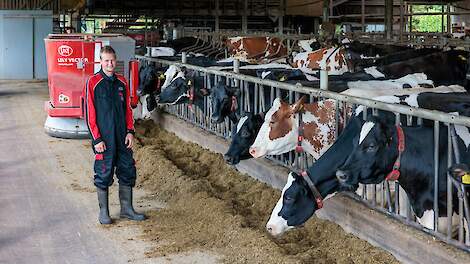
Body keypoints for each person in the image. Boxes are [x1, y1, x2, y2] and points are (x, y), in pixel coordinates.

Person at [85, 45, 145, 224]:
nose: (110, 63)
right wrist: (96, 139)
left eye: (112, 60)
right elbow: (89, 113)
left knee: (127, 169)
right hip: (104, 139)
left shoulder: (122, 82)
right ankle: (104, 212)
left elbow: (127, 110)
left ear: (115, 60)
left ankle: (127, 209)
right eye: (106, 60)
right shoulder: (93, 83)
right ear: (101, 61)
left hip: (122, 137)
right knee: (103, 173)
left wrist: (130, 132)